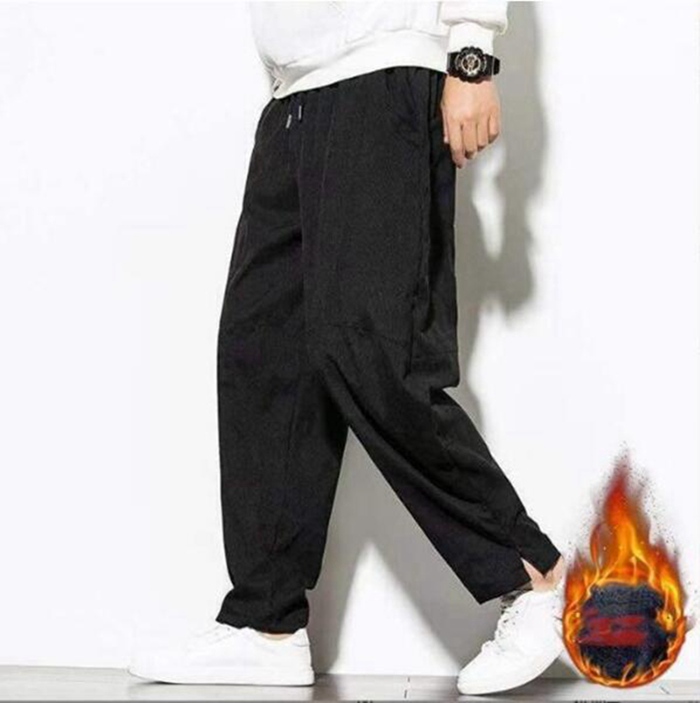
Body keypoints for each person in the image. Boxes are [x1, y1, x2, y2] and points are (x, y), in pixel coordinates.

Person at [129, 1, 567, 695]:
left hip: (383, 77)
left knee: (374, 355)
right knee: (263, 356)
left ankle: (535, 577)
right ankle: (266, 624)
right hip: (294, 97)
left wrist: (472, 56)